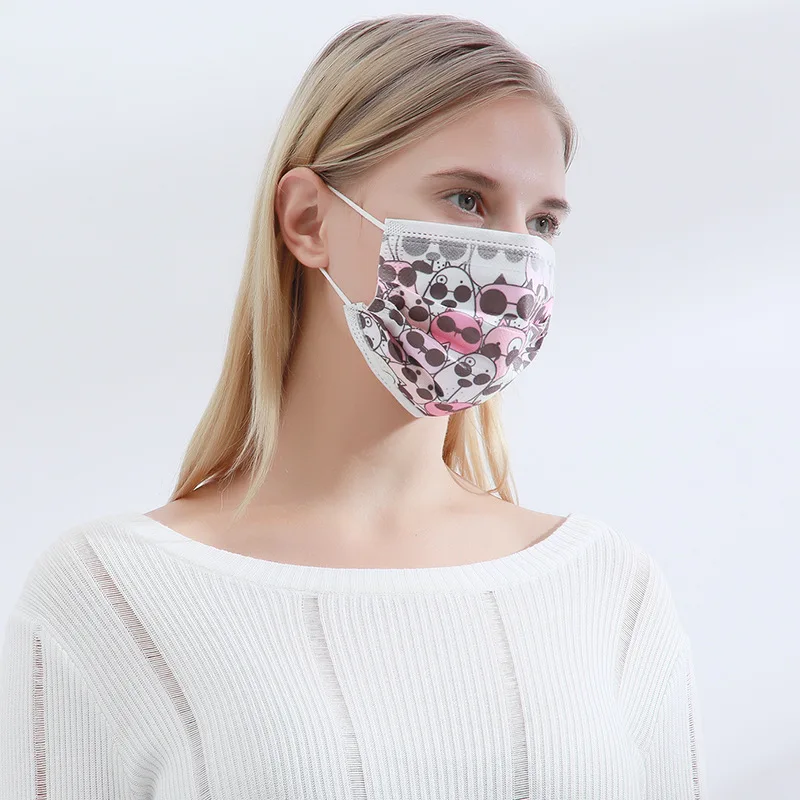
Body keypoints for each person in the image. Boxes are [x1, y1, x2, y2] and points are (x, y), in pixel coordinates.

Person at [0, 13, 707, 799]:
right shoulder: (112, 596)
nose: (515, 260)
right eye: (467, 200)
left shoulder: (608, 590)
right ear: (308, 220)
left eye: (541, 222)